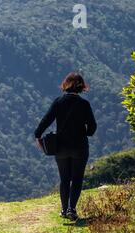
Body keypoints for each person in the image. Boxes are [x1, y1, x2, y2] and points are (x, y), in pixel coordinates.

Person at [34, 72, 97, 221]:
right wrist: (86, 133)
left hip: (61, 147)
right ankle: (72, 209)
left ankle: (63, 209)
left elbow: (46, 120)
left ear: (65, 85)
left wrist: (38, 136)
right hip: (79, 147)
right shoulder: (84, 104)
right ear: (82, 87)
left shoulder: (58, 102)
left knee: (64, 179)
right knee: (77, 179)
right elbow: (93, 127)